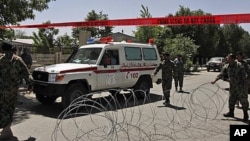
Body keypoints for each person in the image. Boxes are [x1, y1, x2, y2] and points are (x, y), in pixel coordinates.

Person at [0, 41, 33, 139]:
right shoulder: (17, 59)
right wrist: (30, 84)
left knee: (2, 108)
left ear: (2, 49)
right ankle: (6, 129)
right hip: (12, 91)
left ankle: (5, 130)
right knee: (9, 108)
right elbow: (27, 74)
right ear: (11, 49)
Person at [211, 53, 249, 122]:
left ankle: (245, 115)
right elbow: (221, 74)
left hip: (241, 86)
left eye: (228, 58)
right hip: (233, 86)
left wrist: (245, 84)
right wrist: (215, 80)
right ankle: (231, 113)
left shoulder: (239, 65)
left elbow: (244, 75)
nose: (227, 59)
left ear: (232, 59)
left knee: (243, 100)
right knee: (231, 99)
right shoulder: (227, 66)